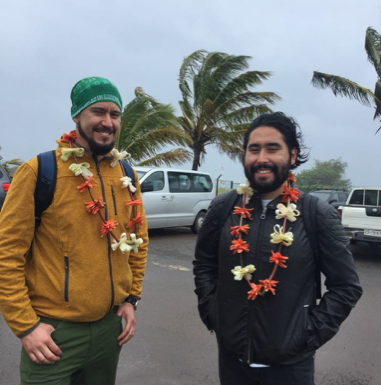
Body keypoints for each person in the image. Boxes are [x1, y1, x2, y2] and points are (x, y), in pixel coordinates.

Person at [193, 112, 362, 385]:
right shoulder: (222, 209)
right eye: (254, 149)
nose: (262, 158)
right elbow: (204, 265)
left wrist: (307, 336)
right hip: (232, 361)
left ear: (292, 155)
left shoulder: (315, 213)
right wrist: (213, 314)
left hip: (291, 368)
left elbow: (346, 287)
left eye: (273, 148)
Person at [0, 76, 149, 385]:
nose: (107, 121)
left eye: (115, 114)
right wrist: (26, 327)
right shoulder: (40, 171)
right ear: (77, 116)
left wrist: (131, 299)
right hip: (53, 334)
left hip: (111, 331)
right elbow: (7, 255)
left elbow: (139, 242)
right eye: (98, 111)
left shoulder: (126, 173)